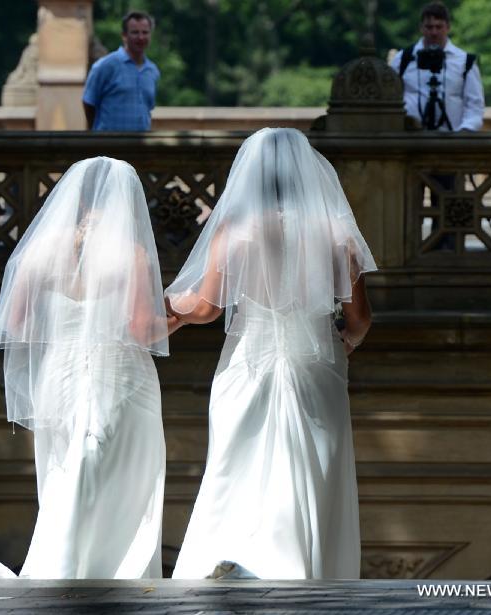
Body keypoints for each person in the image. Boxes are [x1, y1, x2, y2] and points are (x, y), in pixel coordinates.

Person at [166, 128, 377, 580]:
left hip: (250, 359)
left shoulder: (235, 231)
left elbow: (207, 307)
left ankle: (231, 556)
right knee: (315, 468)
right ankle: (308, 569)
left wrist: (173, 311)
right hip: (316, 359)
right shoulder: (335, 233)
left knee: (235, 465)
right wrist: (349, 343)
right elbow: (359, 318)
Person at [0, 157, 176, 579]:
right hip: (118, 374)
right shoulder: (131, 254)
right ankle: (105, 567)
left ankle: (63, 560)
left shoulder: (42, 250)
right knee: (124, 473)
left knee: (68, 464)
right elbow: (142, 329)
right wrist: (177, 317)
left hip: (58, 373)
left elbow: (16, 324)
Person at [389, 2, 484, 132]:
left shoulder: (465, 62)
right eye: (429, 27)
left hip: (452, 140)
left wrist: (465, 132)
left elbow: (475, 106)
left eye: (439, 27)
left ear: (448, 27)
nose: (434, 32)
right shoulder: (402, 59)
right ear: (421, 28)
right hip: (411, 140)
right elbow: (390, 99)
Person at [82, 11, 159, 131]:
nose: (140, 37)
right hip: (108, 144)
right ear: (124, 36)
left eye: (145, 32)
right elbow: (88, 102)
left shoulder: (152, 71)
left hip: (140, 146)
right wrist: (96, 135)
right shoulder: (106, 66)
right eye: (135, 32)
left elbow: (147, 108)